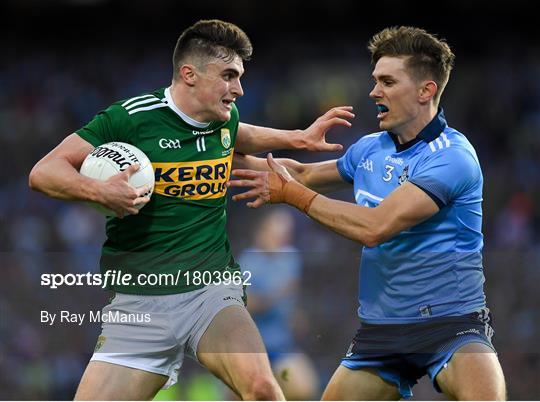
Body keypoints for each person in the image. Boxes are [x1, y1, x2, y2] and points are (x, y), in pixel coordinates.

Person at [28, 19, 353, 400]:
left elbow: (242, 137)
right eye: (229, 76)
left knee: (264, 389)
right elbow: (43, 172)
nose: (239, 89)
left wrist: (299, 139)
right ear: (190, 74)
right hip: (142, 299)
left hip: (210, 292)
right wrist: (99, 190)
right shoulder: (131, 119)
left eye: (240, 76)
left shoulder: (222, 120)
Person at [229, 26, 506, 400]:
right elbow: (303, 174)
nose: (374, 91)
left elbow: (376, 227)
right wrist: (213, 151)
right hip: (382, 331)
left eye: (388, 82)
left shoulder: (451, 156)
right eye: (375, 80)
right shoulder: (369, 149)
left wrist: (292, 196)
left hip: (451, 325)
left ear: (426, 91)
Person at [238, 209, 320, 400]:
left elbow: (292, 300)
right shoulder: (248, 261)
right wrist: (275, 296)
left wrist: (296, 316)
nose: (282, 236)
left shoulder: (291, 258)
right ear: (262, 232)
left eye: (286, 232)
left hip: (281, 346)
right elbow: (243, 307)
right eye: (277, 230)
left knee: (305, 388)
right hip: (251, 350)